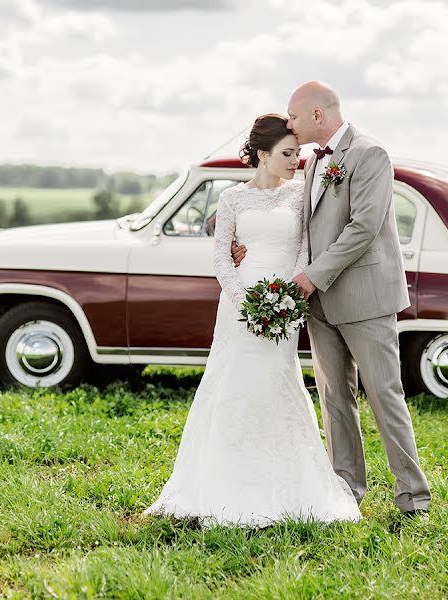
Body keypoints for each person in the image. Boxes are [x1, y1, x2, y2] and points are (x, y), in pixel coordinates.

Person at [144, 114, 361, 527]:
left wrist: (287, 298)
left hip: (284, 305)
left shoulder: (301, 195)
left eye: (297, 153)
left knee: (277, 383)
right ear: (263, 154)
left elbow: (304, 249)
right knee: (232, 384)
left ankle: (288, 482)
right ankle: (220, 481)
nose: (295, 160)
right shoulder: (232, 199)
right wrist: (246, 301)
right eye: (287, 153)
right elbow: (222, 257)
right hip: (238, 306)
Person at [232, 82, 432, 516]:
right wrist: (243, 244)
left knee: (384, 394)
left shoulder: (369, 154)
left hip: (364, 296)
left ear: (318, 116)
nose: (289, 124)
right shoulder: (310, 165)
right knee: (334, 401)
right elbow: (299, 226)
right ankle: (346, 492)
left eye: (295, 117)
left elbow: (363, 227)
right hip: (319, 303)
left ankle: (413, 497)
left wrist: (310, 277)